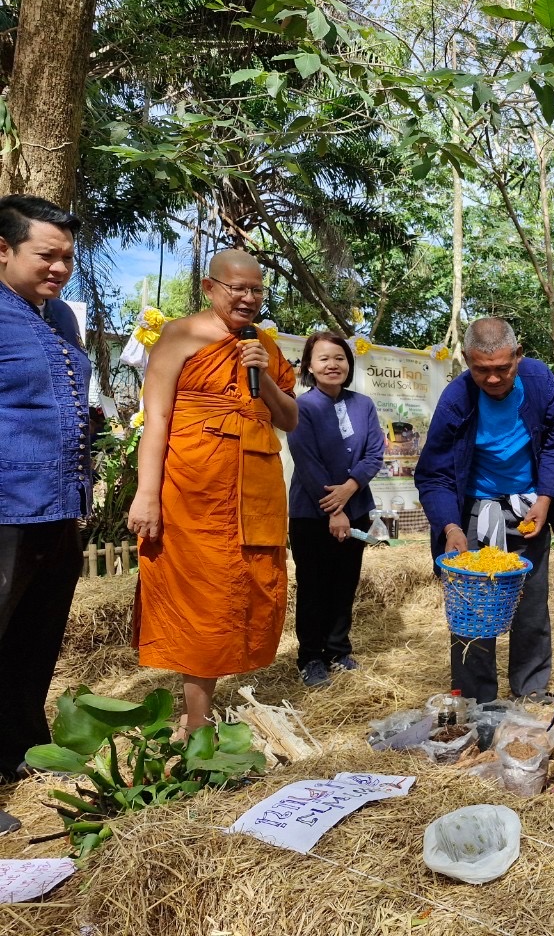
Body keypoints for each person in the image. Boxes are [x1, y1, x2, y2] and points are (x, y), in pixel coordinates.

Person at [128, 250, 298, 734]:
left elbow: (290, 418)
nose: (248, 298)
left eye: (256, 290)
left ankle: (204, 714)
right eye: (237, 289)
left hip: (254, 490)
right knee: (200, 598)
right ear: (209, 287)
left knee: (242, 594)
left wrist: (265, 377)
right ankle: (197, 721)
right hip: (193, 490)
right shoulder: (179, 335)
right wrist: (146, 494)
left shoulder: (262, 345)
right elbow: (157, 420)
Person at [414, 318, 554, 704]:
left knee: (531, 600)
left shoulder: (540, 382)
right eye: (482, 370)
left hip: (528, 505)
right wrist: (450, 527)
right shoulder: (456, 400)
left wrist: (546, 498)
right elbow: (434, 473)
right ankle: (475, 697)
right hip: (473, 508)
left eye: (503, 367)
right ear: (467, 361)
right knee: (473, 604)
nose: (494, 378)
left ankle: (531, 688)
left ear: (518, 356)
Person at [0, 195, 87, 836]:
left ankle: (19, 747)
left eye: (67, 257)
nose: (59, 267)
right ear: (3, 250)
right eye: (46, 255)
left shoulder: (58, 315)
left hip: (57, 505)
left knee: (34, 636)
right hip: (4, 503)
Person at [287, 332, 385, 687]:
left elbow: (374, 453)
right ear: (309, 366)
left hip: (356, 508)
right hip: (311, 513)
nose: (333, 364)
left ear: (349, 363)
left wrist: (349, 489)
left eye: (340, 358)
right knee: (314, 587)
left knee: (345, 583)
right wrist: (334, 508)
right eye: (324, 358)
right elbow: (306, 460)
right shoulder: (301, 406)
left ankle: (338, 651)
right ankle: (311, 658)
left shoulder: (364, 405)